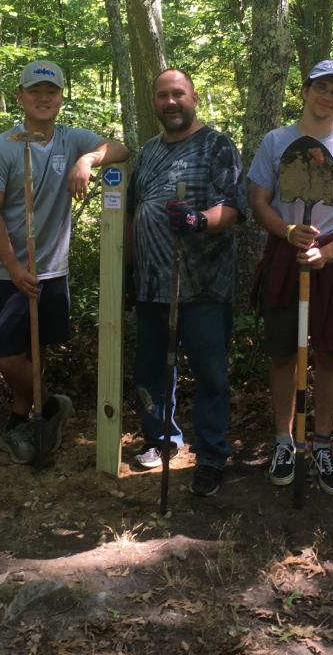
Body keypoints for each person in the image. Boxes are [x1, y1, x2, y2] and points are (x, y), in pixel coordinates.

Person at [0, 60, 129, 464]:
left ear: (62, 98)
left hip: (52, 271)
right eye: (34, 91)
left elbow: (121, 148)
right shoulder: (2, 146)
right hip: (5, 271)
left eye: (51, 92)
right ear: (21, 97)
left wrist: (88, 160)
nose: (43, 98)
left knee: (35, 351)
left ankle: (19, 421)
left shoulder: (71, 139)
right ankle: (51, 404)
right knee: (8, 356)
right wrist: (12, 267)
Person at [248, 60, 333, 495]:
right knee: (284, 351)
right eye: (320, 87)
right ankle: (286, 441)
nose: (327, 97)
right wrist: (287, 231)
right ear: (304, 91)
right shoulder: (277, 141)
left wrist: (332, 251)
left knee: (329, 351)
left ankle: (321, 443)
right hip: (286, 258)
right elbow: (259, 201)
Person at [127, 68, 245, 497]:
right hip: (152, 284)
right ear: (154, 102)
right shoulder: (147, 152)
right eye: (162, 96)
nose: (170, 102)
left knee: (210, 373)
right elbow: (132, 214)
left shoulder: (217, 146)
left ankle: (212, 453)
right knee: (153, 370)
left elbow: (230, 209)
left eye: (178, 94)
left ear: (193, 97)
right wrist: (130, 270)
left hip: (204, 286)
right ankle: (161, 439)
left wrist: (199, 221)